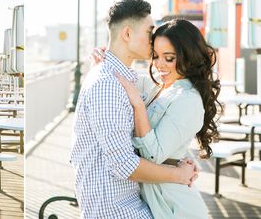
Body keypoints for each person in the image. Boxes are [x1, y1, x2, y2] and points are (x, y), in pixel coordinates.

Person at [70, 0, 198, 219]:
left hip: (128, 204)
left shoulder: (117, 79)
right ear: (127, 34)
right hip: (117, 212)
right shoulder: (107, 85)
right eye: (149, 32)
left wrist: (179, 161)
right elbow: (124, 165)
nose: (154, 39)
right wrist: (178, 175)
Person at [94, 18, 220, 219]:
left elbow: (153, 155)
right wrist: (104, 58)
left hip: (175, 207)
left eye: (169, 58)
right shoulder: (160, 86)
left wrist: (138, 106)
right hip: (156, 199)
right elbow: (125, 76)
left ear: (188, 56)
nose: (159, 64)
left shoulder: (188, 100)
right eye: (155, 56)